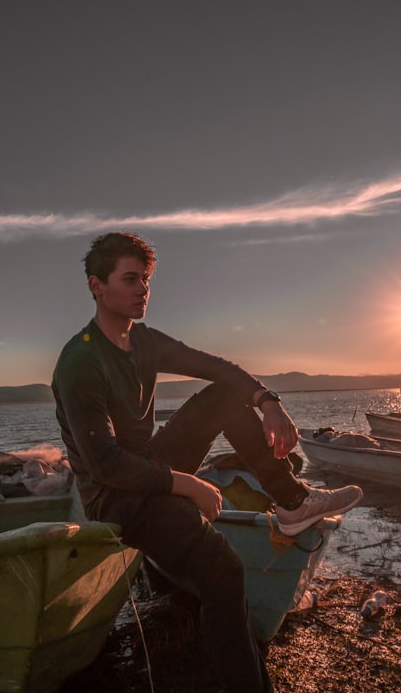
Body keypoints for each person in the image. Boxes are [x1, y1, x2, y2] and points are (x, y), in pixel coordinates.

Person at [52, 231, 362, 692]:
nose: (143, 289)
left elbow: (219, 369)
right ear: (97, 286)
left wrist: (268, 401)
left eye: (147, 280)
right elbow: (104, 464)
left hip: (148, 463)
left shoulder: (146, 342)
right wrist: (186, 485)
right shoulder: (80, 360)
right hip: (114, 496)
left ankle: (293, 502)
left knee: (221, 399)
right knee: (223, 571)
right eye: (130, 279)